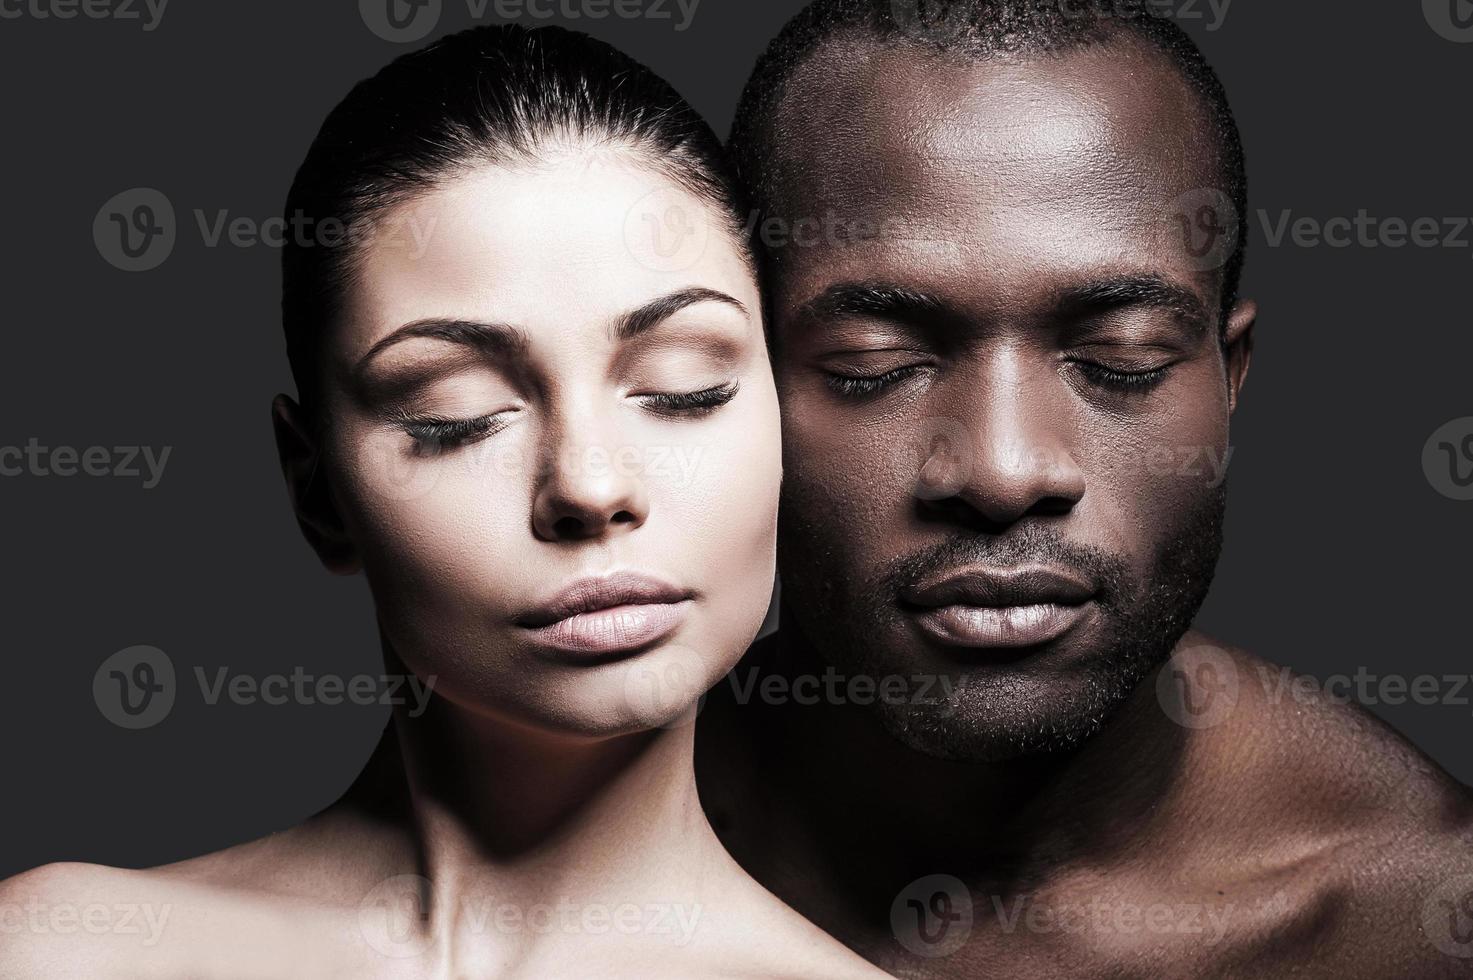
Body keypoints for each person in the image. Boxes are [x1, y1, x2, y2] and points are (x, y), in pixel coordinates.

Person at [0, 24, 884, 979]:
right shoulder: (58, 952)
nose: (589, 488)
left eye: (684, 387)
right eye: (455, 415)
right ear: (317, 492)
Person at [695, 2, 1473, 976]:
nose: (1003, 470)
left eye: (1121, 356)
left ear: (1229, 378)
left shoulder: (1418, 920)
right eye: (873, 361)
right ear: (743, 380)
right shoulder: (500, 864)